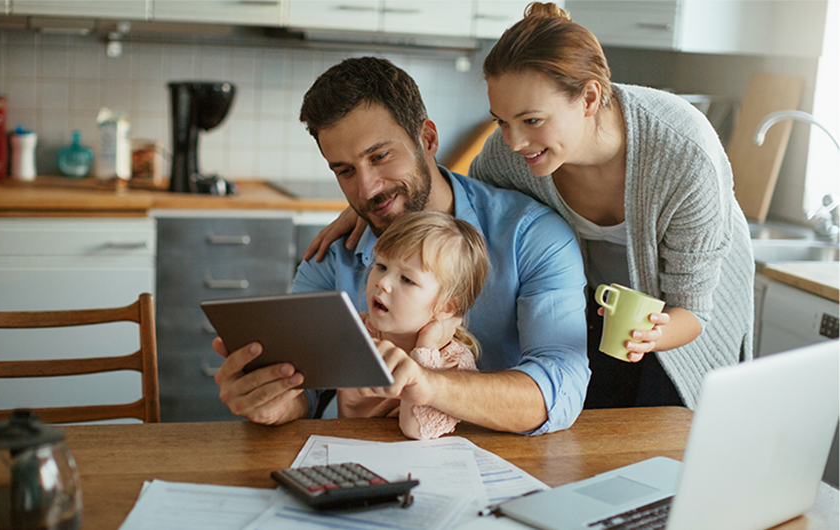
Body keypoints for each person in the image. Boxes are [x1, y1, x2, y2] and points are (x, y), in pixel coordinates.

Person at [213, 56, 590, 435]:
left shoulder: (532, 236)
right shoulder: (330, 257)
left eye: (379, 156)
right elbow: (306, 388)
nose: (367, 189)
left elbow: (561, 387)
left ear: (427, 139)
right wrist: (275, 401)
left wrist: (429, 386)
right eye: (345, 170)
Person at [468, 2, 755, 409]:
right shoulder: (509, 154)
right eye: (501, 120)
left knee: (665, 439)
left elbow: (692, 310)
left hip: (681, 318)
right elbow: (460, 204)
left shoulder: (683, 153)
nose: (514, 141)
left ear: (588, 97)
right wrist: (376, 207)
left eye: (531, 121)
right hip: (598, 308)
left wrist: (650, 335)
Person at [340, 210, 489, 440]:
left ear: (446, 307)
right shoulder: (360, 332)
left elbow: (415, 429)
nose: (383, 283)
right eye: (380, 266)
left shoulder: (451, 361)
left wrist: (425, 349)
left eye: (407, 279)